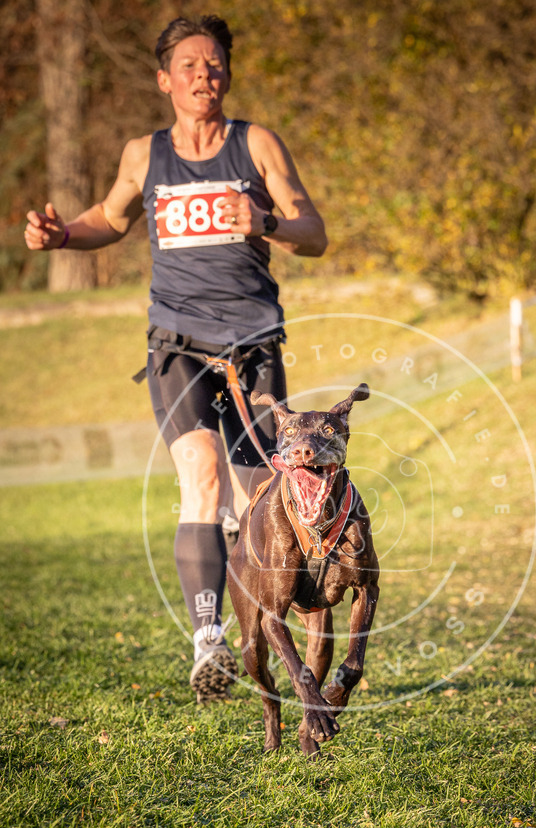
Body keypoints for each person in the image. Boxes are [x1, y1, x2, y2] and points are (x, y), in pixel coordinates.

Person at [24, 14, 327, 700]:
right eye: (189, 65)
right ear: (165, 80)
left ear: (228, 75)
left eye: (215, 64)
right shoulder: (144, 154)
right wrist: (62, 236)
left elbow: (314, 233)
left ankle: (262, 620)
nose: (203, 75)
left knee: (259, 497)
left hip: (252, 344)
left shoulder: (255, 144)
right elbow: (111, 218)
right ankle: (207, 640)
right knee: (202, 472)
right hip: (177, 342)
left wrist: (268, 223)